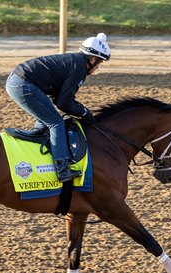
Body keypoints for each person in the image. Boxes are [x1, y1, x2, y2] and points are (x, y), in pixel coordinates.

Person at [6, 33, 110, 182]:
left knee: (47, 119)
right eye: (99, 62)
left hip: (19, 81)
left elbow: (59, 99)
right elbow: (64, 103)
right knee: (56, 123)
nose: (98, 67)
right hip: (23, 84)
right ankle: (63, 169)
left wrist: (80, 110)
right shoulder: (79, 68)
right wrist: (84, 112)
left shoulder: (75, 61)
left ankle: (36, 142)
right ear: (92, 58)